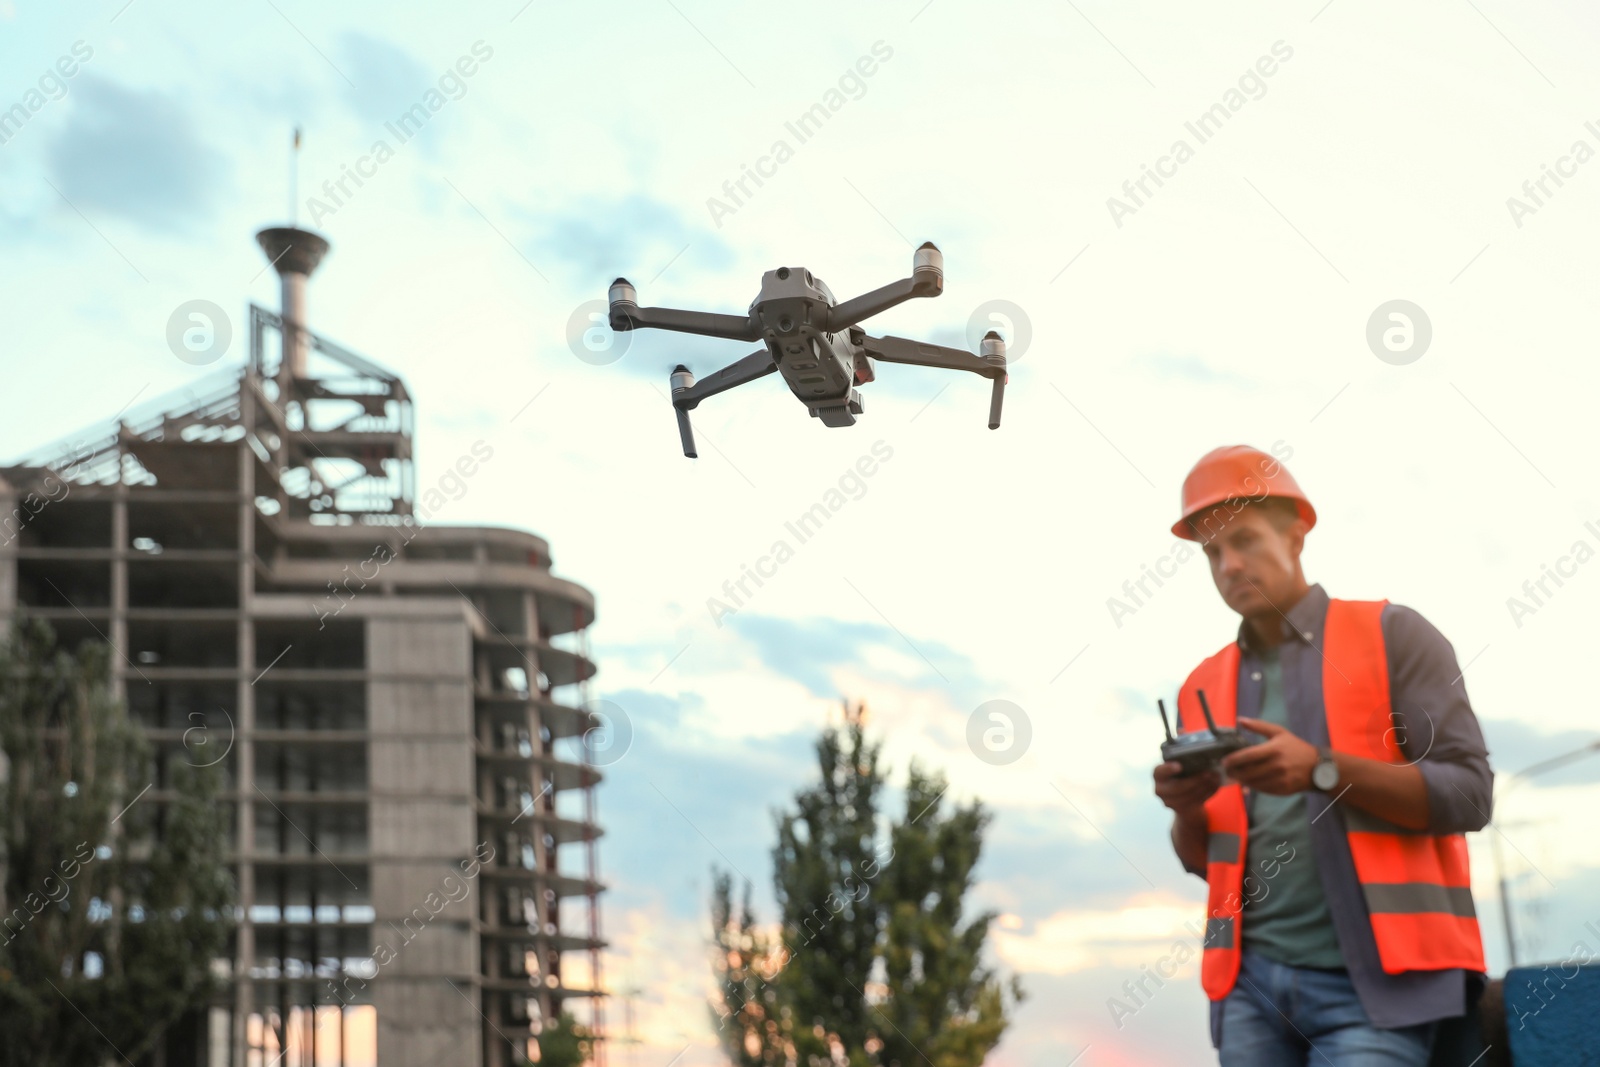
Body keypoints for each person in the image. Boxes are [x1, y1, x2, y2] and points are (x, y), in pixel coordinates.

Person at [1152, 445, 1493, 1066]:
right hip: (1248, 988)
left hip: (1382, 988)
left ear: (1297, 533)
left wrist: (1320, 769)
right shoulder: (1201, 687)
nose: (1229, 565)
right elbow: (1206, 861)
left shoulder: (1395, 636)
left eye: (1245, 540)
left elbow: (1470, 795)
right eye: (1212, 553)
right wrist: (1186, 809)